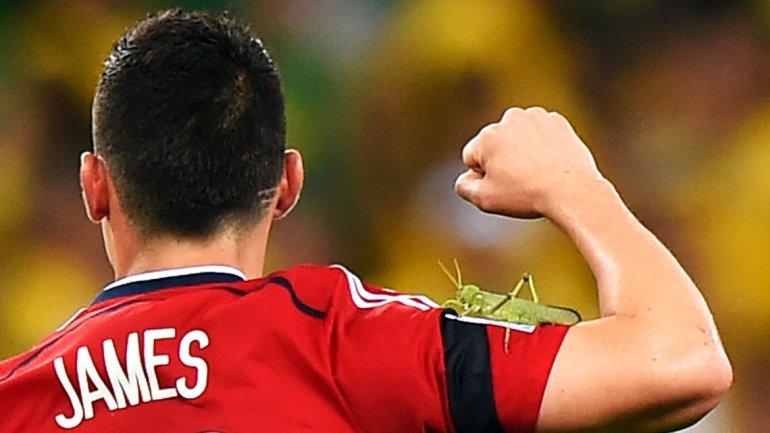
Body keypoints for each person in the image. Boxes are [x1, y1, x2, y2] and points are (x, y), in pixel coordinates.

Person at [0, 9, 731, 433]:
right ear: (287, 185)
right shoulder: (343, 340)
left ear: (95, 186)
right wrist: (576, 185)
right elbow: (681, 361)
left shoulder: (16, 397)